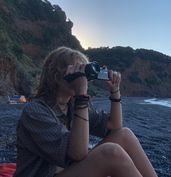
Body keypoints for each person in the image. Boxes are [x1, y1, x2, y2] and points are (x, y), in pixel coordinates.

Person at [14, 46, 158, 177]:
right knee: (110, 153)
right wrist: (81, 94)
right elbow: (77, 153)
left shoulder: (72, 105)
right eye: (78, 70)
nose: (83, 77)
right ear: (57, 75)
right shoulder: (34, 112)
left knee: (124, 135)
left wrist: (115, 91)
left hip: (65, 171)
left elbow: (114, 126)